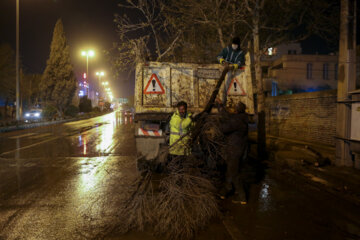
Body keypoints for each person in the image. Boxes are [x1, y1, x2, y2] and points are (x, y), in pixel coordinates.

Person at [216, 99, 249, 204]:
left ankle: (242, 196)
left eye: (234, 108)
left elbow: (224, 128)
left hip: (234, 151)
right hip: (236, 150)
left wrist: (217, 123)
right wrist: (221, 106)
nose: (233, 109)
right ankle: (224, 192)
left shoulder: (237, 121)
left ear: (237, 111)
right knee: (230, 171)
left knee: (234, 173)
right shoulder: (240, 118)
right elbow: (228, 118)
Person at [217, 37, 245, 105]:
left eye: (235, 44)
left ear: (238, 45)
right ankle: (220, 100)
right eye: (233, 44)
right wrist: (223, 62)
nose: (234, 46)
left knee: (226, 86)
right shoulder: (227, 49)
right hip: (223, 68)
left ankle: (223, 101)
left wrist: (233, 66)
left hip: (231, 71)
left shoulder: (240, 53)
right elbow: (219, 56)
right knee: (220, 85)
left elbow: (239, 62)